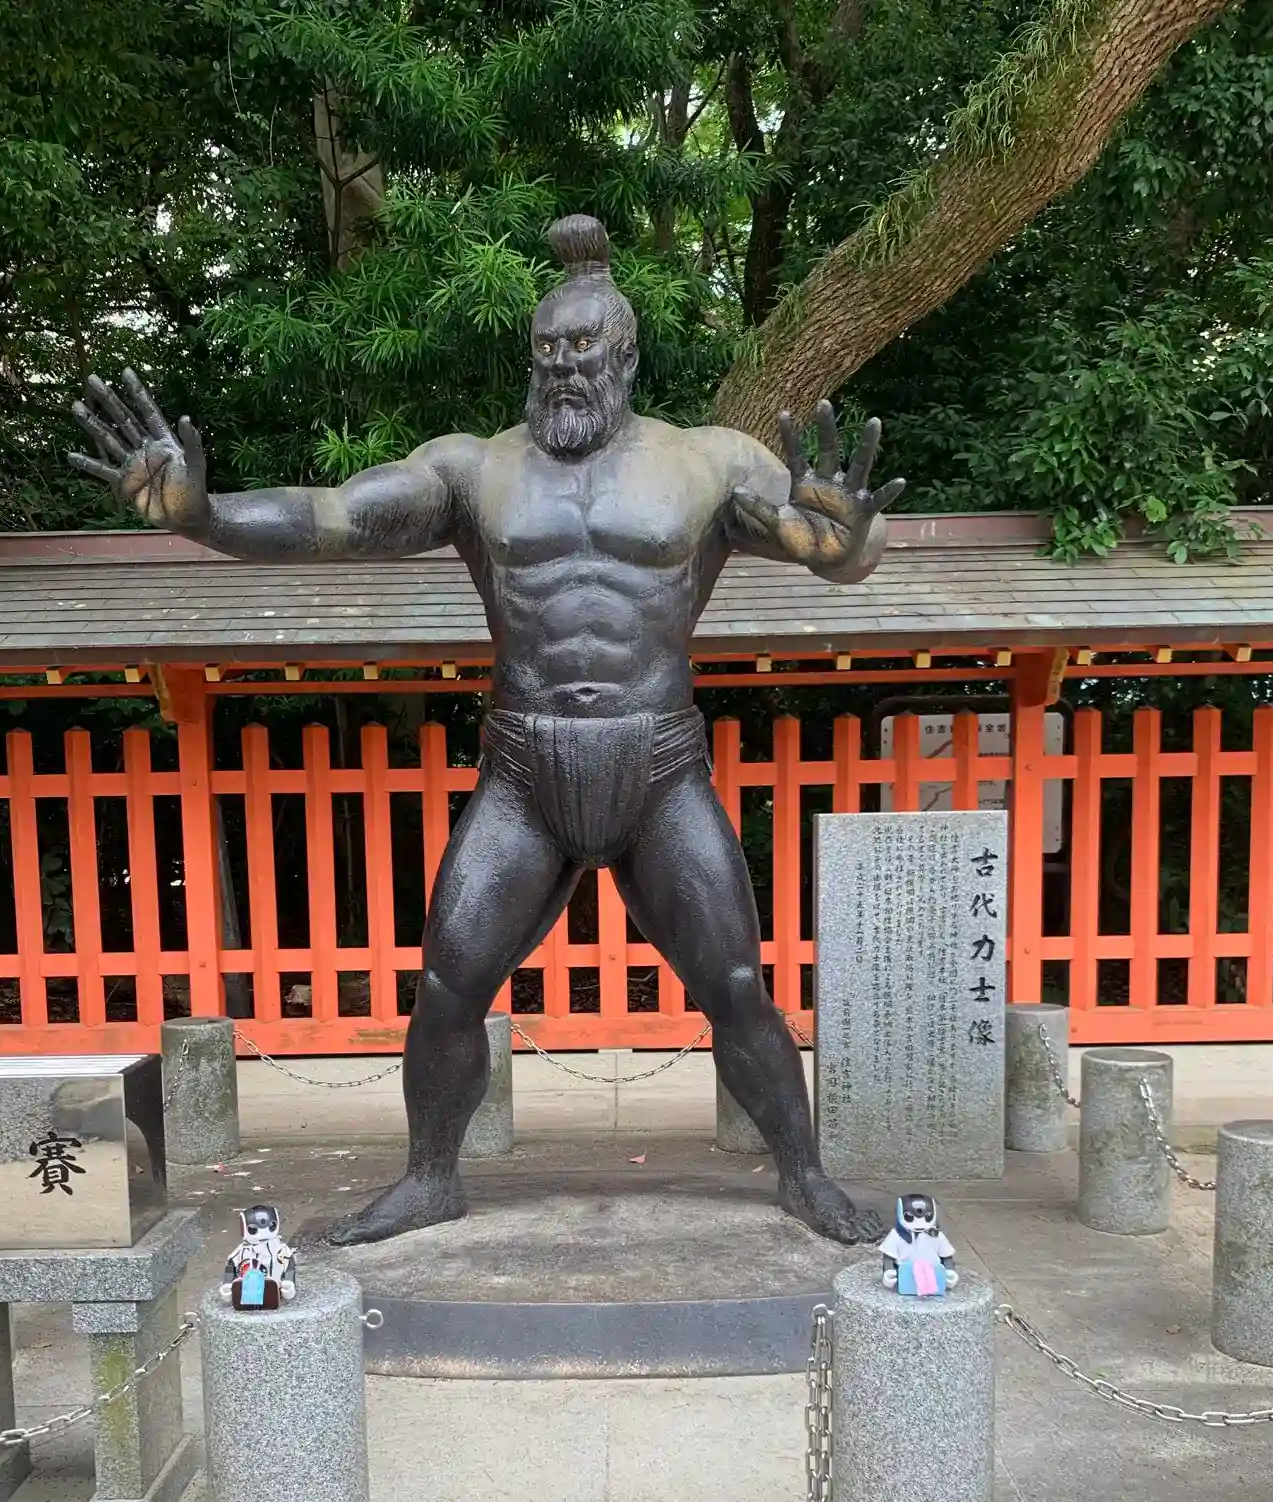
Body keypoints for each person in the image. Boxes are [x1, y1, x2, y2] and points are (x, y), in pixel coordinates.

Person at [70, 215, 904, 1246]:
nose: (562, 366)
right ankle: (430, 1175)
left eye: (582, 346)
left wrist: (849, 543)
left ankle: (805, 1176)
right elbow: (336, 518)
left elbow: (834, 539)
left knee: (735, 984)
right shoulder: (475, 469)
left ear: (626, 353)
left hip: (655, 762)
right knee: (449, 981)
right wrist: (206, 518)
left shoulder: (707, 462)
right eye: (547, 348)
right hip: (524, 766)